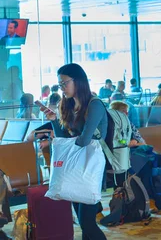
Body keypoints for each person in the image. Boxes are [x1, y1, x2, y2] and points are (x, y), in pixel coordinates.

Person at [41, 63, 107, 240]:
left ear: (78, 81)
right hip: (76, 167)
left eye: (65, 83)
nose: (62, 88)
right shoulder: (67, 104)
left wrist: (70, 141)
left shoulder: (95, 105)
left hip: (92, 166)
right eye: (60, 84)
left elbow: (86, 140)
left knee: (88, 223)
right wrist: (54, 120)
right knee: (83, 221)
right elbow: (64, 138)